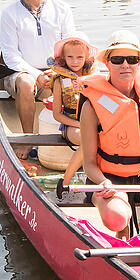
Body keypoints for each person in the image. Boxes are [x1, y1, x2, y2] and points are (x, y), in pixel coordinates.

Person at [77, 30, 140, 235]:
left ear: (139, 63)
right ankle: (123, 232)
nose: (125, 64)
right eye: (117, 59)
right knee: (117, 218)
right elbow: (88, 164)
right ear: (107, 63)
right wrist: (103, 182)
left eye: (132, 59)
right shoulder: (92, 106)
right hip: (108, 178)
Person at [0, 0, 76, 157]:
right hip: (21, 73)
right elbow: (9, 55)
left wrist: (54, 73)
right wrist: (35, 75)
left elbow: (69, 47)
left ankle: (70, 136)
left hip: (54, 71)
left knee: (73, 86)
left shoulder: (62, 9)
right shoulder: (10, 13)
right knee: (25, 83)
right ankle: (28, 139)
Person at [47, 33, 96, 191]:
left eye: (79, 57)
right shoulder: (60, 81)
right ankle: (66, 180)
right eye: (70, 57)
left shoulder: (93, 77)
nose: (75, 62)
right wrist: (79, 124)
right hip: (71, 125)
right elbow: (57, 114)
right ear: (63, 58)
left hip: (92, 122)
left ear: (86, 57)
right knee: (86, 138)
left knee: (99, 136)